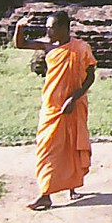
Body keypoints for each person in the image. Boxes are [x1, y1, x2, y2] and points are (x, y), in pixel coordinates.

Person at [13, 11, 96, 211]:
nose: (47, 31)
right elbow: (21, 44)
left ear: (63, 28)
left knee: (72, 144)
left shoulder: (81, 48)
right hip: (52, 108)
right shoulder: (48, 46)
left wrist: (73, 99)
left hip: (73, 106)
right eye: (47, 27)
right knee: (46, 148)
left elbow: (90, 77)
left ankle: (71, 186)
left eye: (51, 28)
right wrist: (19, 28)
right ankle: (45, 194)